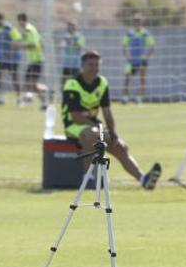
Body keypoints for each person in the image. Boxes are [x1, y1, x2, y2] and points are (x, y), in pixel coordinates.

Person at [62, 50, 162, 189]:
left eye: (97, 65)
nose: (94, 68)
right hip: (73, 126)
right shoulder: (72, 84)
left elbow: (107, 112)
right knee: (92, 134)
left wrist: (113, 134)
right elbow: (75, 116)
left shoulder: (102, 83)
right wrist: (99, 130)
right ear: (83, 66)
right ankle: (87, 178)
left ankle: (143, 179)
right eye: (91, 65)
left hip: (94, 126)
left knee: (120, 146)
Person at [121, 14, 155, 104]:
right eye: (136, 22)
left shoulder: (145, 34)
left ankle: (139, 98)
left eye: (139, 22)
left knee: (142, 79)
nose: (137, 24)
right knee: (127, 79)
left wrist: (146, 57)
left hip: (142, 61)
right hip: (131, 61)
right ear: (133, 23)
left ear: (142, 23)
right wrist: (127, 56)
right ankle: (125, 98)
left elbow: (152, 47)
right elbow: (124, 46)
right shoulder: (129, 34)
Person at [17, 13, 49, 109]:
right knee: (29, 83)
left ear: (22, 20)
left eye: (19, 21)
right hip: (34, 60)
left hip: (36, 60)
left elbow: (34, 44)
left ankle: (40, 98)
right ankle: (41, 97)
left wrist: (20, 46)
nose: (19, 23)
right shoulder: (31, 29)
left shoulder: (29, 30)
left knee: (31, 84)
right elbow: (41, 43)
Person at [0, 12, 23, 106]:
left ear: (1, 19)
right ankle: (0, 97)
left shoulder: (9, 28)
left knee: (14, 77)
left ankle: (19, 98)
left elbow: (17, 39)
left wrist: (10, 51)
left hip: (11, 58)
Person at [61, 21, 86, 86]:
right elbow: (62, 46)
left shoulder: (79, 36)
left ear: (75, 27)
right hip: (66, 63)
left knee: (76, 81)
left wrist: (72, 41)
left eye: (72, 26)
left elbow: (80, 46)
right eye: (69, 26)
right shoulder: (65, 36)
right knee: (64, 81)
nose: (70, 28)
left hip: (76, 63)